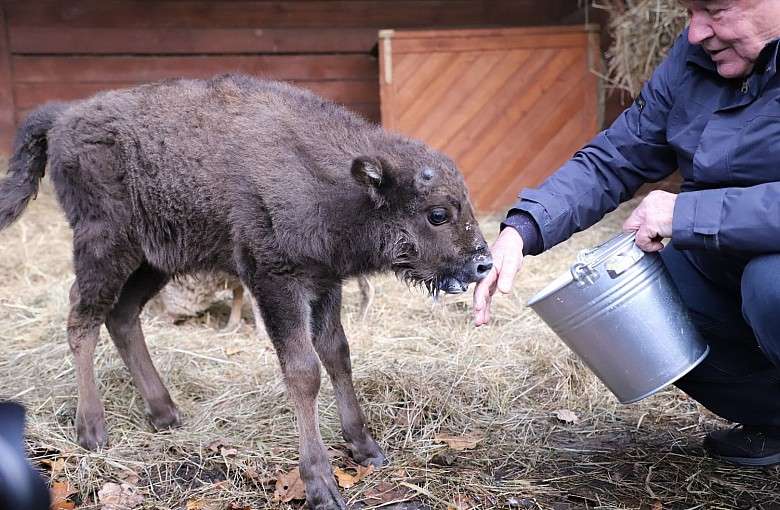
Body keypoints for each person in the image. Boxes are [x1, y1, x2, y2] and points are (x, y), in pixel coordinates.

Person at [473, 0, 780, 467]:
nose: (697, 33)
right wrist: (523, 229)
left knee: (771, 285)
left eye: (715, 11)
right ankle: (775, 421)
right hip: (728, 255)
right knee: (646, 302)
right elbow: (618, 155)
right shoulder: (695, 59)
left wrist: (688, 214)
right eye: (690, 12)